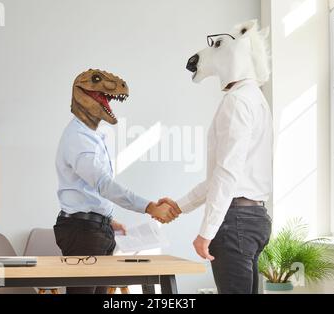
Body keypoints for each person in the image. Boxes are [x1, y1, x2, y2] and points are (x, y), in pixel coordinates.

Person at [158, 20, 273, 294]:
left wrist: (206, 232)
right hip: (256, 218)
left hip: (235, 223)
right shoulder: (257, 99)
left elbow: (227, 174)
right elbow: (224, 176)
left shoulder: (237, 101)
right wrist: (180, 205)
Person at [54, 69, 179, 294]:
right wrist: (149, 207)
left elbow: (88, 191)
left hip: (94, 229)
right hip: (82, 233)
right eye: (96, 81)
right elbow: (103, 184)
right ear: (79, 91)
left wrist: (107, 220)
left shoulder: (92, 136)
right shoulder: (78, 138)